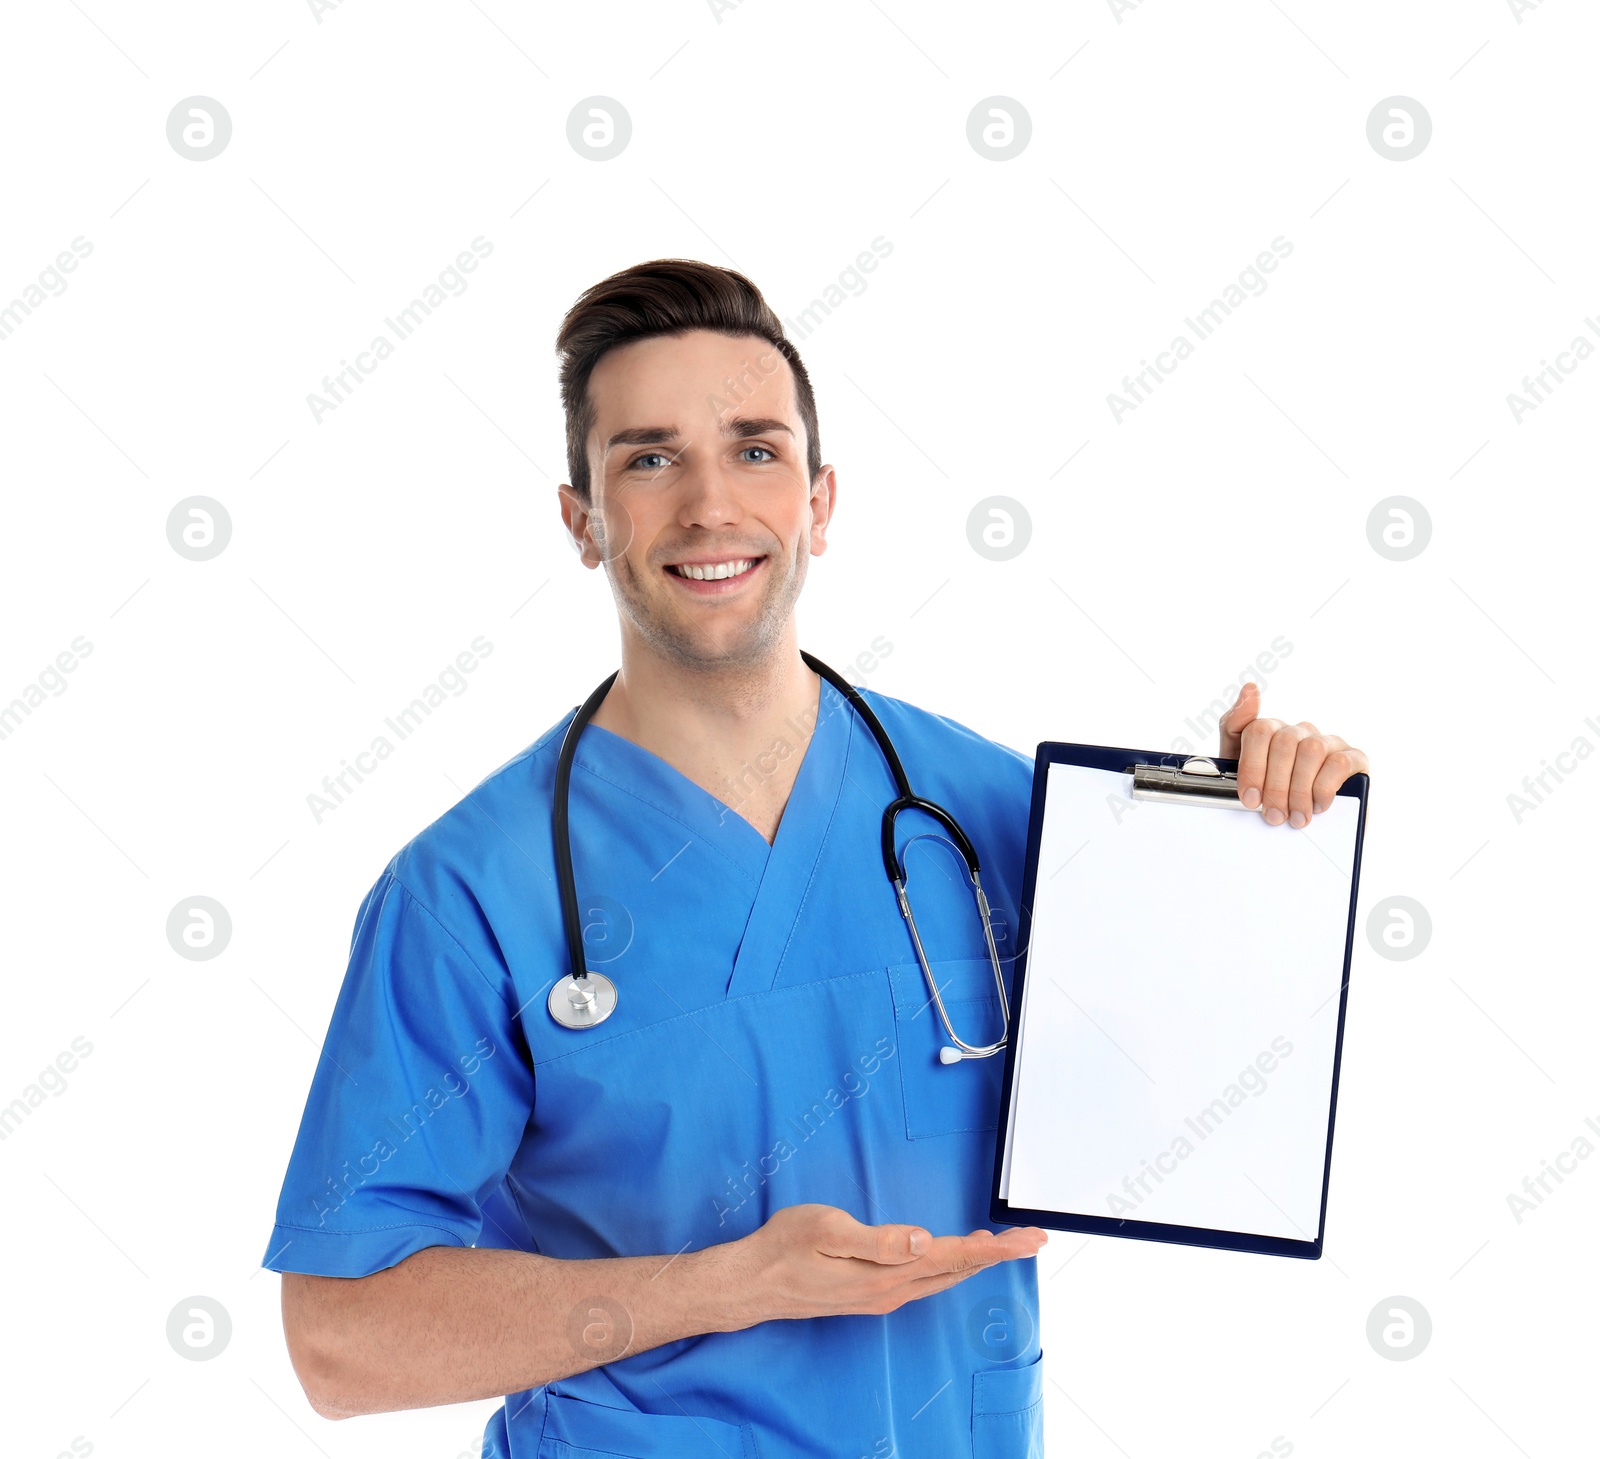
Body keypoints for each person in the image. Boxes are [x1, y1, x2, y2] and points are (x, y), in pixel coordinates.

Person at [261, 259, 1369, 1458]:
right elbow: (340, 1339)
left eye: (753, 450)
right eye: (646, 458)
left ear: (821, 502)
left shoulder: (983, 810)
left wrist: (1256, 830)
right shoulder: (470, 894)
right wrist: (722, 1286)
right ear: (582, 521)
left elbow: (1196, 1093)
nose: (708, 506)